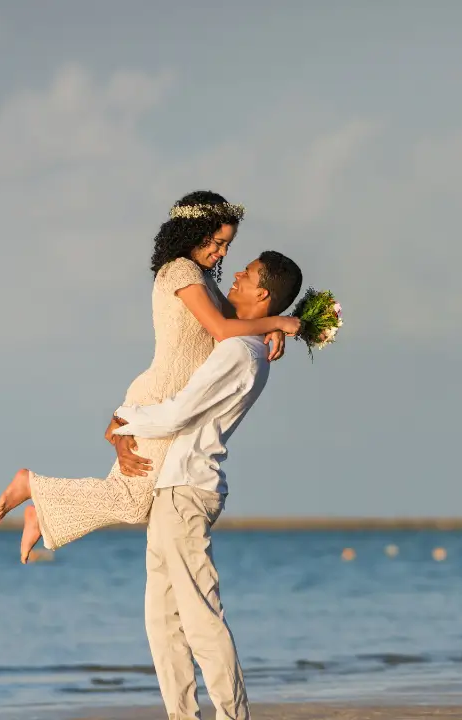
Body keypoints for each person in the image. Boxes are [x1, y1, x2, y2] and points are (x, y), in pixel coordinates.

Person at [0, 191, 300, 561]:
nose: (222, 254)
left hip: (168, 395)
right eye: (218, 243)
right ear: (196, 231)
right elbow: (220, 328)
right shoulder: (181, 271)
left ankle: (40, 510)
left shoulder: (200, 277)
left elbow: (237, 322)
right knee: (131, 500)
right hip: (161, 394)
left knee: (130, 498)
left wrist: (271, 329)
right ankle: (33, 488)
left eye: (227, 246)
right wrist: (279, 321)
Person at [110, 251, 302, 720]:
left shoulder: (241, 352)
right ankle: (181, 715)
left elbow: (180, 412)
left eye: (247, 273)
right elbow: (216, 319)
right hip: (173, 487)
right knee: (163, 617)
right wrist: (274, 324)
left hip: (186, 487)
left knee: (198, 615)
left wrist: (123, 420)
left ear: (263, 293)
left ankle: (232, 715)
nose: (234, 273)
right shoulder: (250, 341)